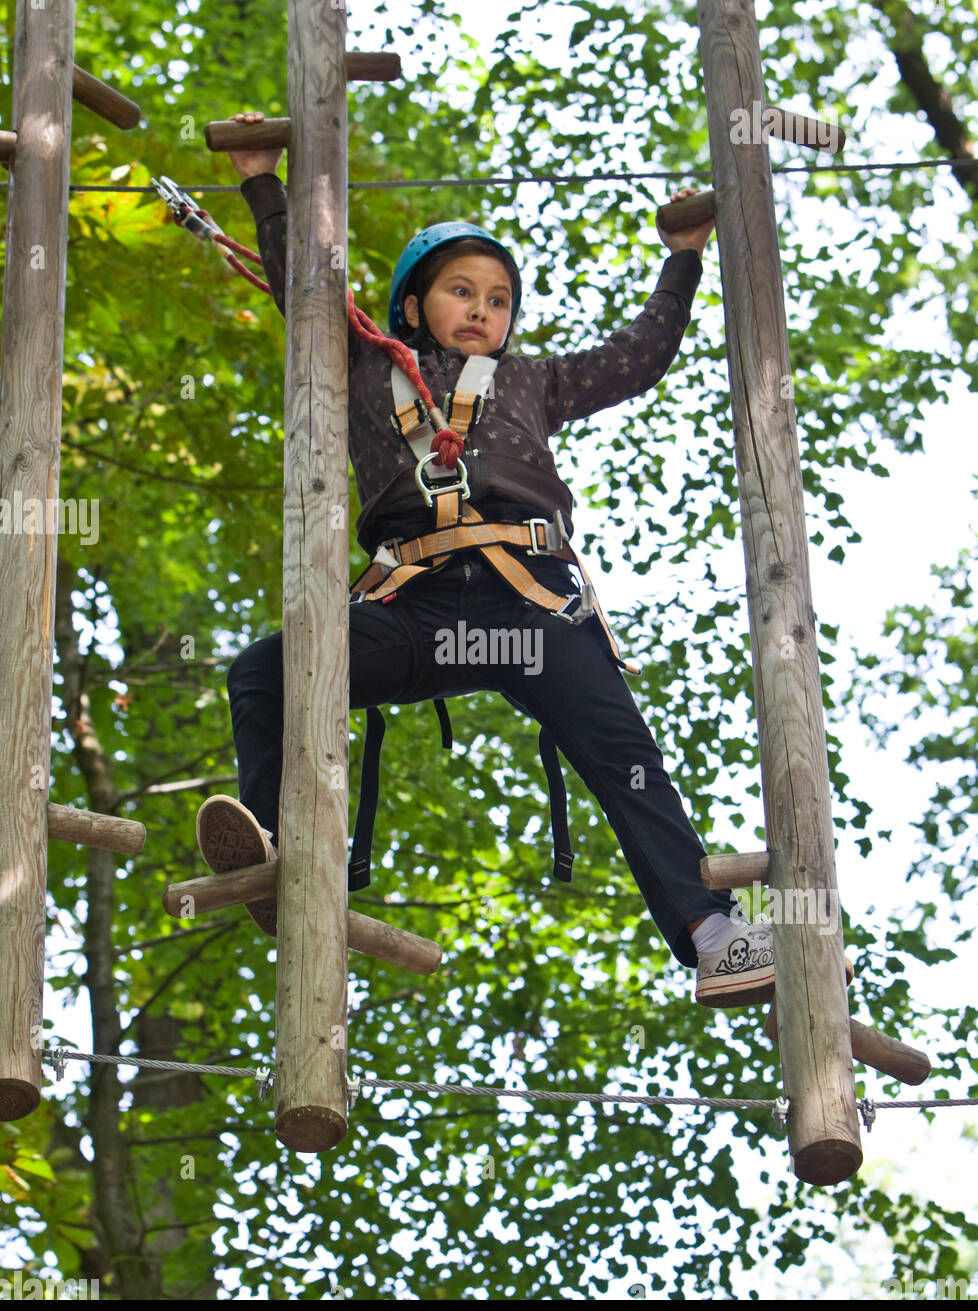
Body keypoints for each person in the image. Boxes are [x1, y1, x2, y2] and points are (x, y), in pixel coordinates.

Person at [194, 110, 775, 1009]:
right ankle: (275, 853)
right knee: (264, 672)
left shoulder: (533, 382)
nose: (482, 310)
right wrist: (260, 178)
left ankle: (711, 935)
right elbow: (302, 286)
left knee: (627, 759)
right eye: (461, 291)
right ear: (413, 304)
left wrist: (683, 256)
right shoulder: (360, 364)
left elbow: (639, 357)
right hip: (415, 607)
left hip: (530, 606)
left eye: (498, 299)